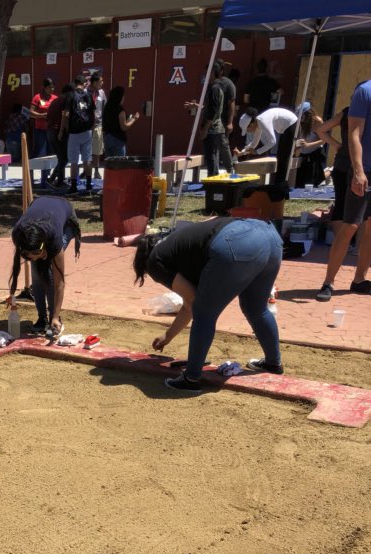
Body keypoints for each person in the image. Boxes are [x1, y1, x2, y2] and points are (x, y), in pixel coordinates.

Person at [132, 218, 283, 393]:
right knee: (255, 307)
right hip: (270, 237)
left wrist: (168, 335)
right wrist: (168, 336)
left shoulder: (155, 260)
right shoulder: (181, 244)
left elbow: (193, 302)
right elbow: (190, 302)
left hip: (236, 242)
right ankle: (273, 363)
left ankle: (191, 378)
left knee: (204, 313)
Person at [316, 80, 371, 302]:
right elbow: (354, 134)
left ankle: (359, 280)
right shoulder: (364, 91)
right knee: (350, 225)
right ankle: (328, 282)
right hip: (365, 170)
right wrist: (358, 171)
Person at [8, 195, 81, 338]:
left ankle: (55, 318)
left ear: (42, 247)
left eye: (37, 253)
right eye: (29, 255)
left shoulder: (54, 240)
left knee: (50, 272)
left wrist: (55, 315)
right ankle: (42, 318)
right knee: (37, 274)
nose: (34, 258)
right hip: (39, 208)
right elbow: (32, 255)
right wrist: (36, 256)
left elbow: (60, 283)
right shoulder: (19, 235)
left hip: (64, 216)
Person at [235, 106, 298, 185]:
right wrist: (242, 152)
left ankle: (281, 185)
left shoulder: (263, 121)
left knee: (284, 157)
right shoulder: (258, 123)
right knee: (280, 156)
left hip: (292, 124)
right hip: (286, 127)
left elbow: (272, 141)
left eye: (247, 130)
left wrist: (257, 152)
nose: (249, 132)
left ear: (251, 124)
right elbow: (254, 143)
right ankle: (278, 184)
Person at [317, 105, 353, 240]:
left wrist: (337, 145)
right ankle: (358, 247)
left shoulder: (346, 112)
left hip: (341, 163)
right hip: (362, 164)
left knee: (340, 204)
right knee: (364, 207)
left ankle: (340, 242)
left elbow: (321, 130)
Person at [60, 75, 95, 193]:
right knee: (87, 159)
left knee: (74, 160)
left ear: (75, 84)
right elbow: (93, 113)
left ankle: (74, 186)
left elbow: (65, 114)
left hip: (74, 132)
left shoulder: (70, 95)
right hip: (87, 131)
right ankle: (89, 185)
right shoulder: (89, 95)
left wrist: (62, 130)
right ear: (83, 83)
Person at [46, 84, 73, 186]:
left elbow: (48, 118)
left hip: (50, 131)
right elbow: (65, 115)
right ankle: (55, 179)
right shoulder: (68, 98)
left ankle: (57, 179)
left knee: (61, 158)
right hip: (58, 132)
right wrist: (62, 131)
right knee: (64, 159)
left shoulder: (56, 100)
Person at [294, 103, 326, 188]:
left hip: (315, 153)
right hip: (302, 153)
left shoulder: (317, 122)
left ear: (308, 114)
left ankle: (329, 172)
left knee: (313, 180)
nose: (300, 118)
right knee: (300, 181)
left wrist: (308, 144)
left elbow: (324, 140)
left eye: (302, 116)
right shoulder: (298, 123)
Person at [102, 86, 139, 158]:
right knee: (119, 164)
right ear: (120, 97)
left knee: (109, 164)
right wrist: (134, 119)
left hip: (107, 138)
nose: (124, 98)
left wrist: (129, 119)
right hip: (117, 139)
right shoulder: (120, 110)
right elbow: (124, 127)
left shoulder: (107, 108)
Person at [30, 79, 56, 158]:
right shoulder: (37, 97)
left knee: (51, 153)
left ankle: (47, 171)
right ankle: (32, 169)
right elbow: (30, 112)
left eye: (53, 87)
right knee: (40, 153)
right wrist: (42, 115)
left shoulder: (55, 98)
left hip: (52, 130)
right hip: (40, 130)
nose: (52, 89)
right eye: (49, 87)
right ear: (44, 88)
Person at [88, 73, 107, 179]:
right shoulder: (86, 92)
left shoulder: (101, 92)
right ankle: (87, 170)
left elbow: (104, 107)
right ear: (94, 82)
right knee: (86, 150)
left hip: (98, 125)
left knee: (97, 150)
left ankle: (96, 170)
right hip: (86, 126)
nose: (102, 83)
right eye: (101, 81)